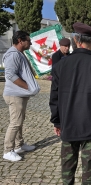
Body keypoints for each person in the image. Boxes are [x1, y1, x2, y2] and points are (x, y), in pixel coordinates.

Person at [49, 22, 91, 184]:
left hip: (68, 123)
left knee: (67, 165)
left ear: (76, 40)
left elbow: (54, 97)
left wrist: (56, 121)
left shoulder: (61, 65)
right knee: (90, 166)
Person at [2, 31, 38, 162]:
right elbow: (11, 75)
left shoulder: (19, 54)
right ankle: (7, 150)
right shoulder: (13, 55)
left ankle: (19, 145)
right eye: (28, 40)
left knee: (20, 121)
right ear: (20, 40)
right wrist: (26, 86)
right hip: (14, 95)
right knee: (15, 122)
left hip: (19, 94)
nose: (31, 42)